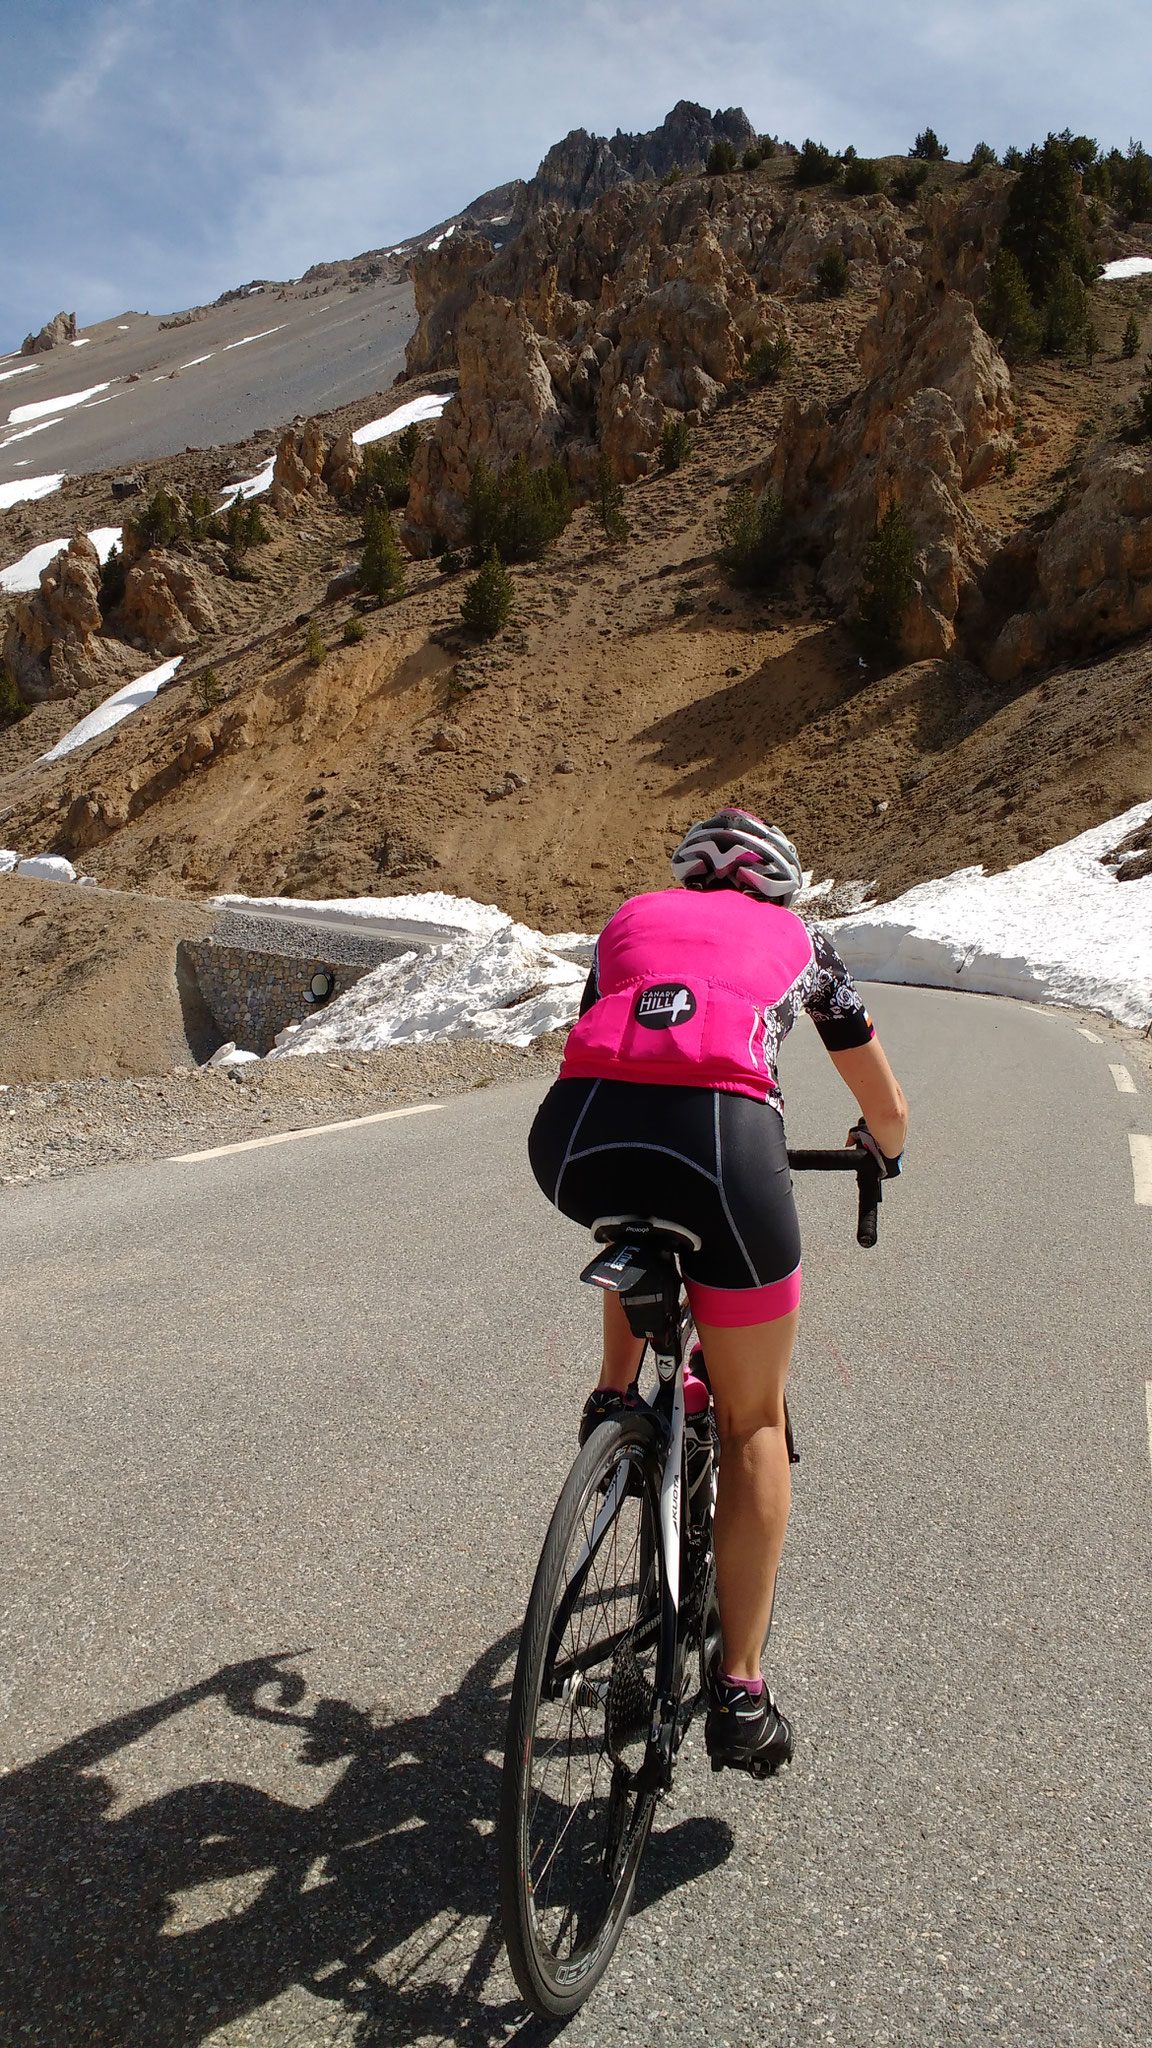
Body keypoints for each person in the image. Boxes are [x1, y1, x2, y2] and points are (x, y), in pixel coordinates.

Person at [528, 810, 908, 1778]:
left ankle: (616, 1396)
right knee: (751, 1421)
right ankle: (740, 1690)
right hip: (726, 1147)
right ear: (775, 886)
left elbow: (605, 1038)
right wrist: (884, 1151)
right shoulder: (806, 941)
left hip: (576, 1138)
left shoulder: (629, 922)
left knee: (636, 1215)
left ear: (688, 881)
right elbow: (886, 1105)